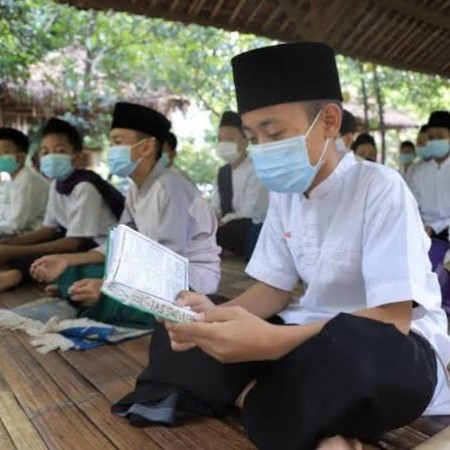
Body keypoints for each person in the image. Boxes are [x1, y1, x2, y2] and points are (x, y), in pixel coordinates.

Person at [110, 43, 450, 450]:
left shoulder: (379, 187)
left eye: (274, 134)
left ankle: (255, 398)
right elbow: (272, 290)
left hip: (380, 343)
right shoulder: (287, 193)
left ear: (327, 121)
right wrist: (215, 318)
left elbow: (392, 320)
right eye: (254, 137)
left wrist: (271, 344)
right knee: (187, 325)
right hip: (305, 335)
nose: (262, 149)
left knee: (358, 356)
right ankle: (292, 414)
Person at [31, 103, 221, 314]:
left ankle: (93, 299)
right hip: (151, 271)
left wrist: (109, 287)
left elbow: (170, 261)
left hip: (188, 281)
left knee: (103, 297)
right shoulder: (135, 190)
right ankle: (84, 293)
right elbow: (119, 244)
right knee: (78, 272)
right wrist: (66, 260)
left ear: (147, 147)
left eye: (117, 142)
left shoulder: (170, 187)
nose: (112, 149)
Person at [0, 118, 123, 292]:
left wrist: (12, 250)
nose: (51, 157)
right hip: (73, 240)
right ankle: (13, 270)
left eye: (60, 150)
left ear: (77, 157)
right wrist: (10, 245)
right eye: (45, 152)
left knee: (46, 258)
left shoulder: (85, 187)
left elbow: (73, 243)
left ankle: (16, 275)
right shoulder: (57, 184)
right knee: (37, 247)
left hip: (97, 246)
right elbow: (49, 229)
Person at [214, 111, 269, 260]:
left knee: (239, 228)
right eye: (220, 139)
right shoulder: (222, 172)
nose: (224, 143)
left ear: (245, 140)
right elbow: (216, 206)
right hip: (226, 224)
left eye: (230, 138)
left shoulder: (257, 168)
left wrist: (223, 221)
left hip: (247, 225)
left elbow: (250, 211)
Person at [0, 128, 49, 236]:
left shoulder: (28, 181)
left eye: (4, 152)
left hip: (33, 238)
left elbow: (16, 225)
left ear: (21, 157)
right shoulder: (11, 179)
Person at [410, 111, 450, 243]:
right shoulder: (419, 172)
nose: (435, 141)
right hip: (424, 234)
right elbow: (413, 207)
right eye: (431, 138)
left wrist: (435, 227)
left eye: (440, 137)